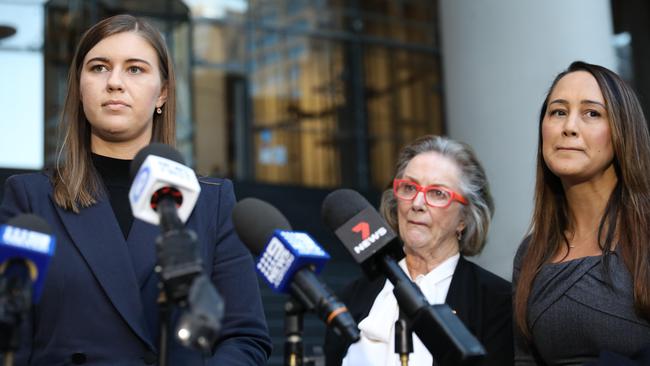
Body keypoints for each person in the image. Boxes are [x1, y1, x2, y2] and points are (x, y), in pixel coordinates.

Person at [0, 14, 271, 365]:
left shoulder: (211, 202)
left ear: (162, 92)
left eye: (135, 69)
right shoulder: (30, 198)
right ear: (79, 88)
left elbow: (244, 337)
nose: (114, 82)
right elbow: (9, 337)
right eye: (98, 68)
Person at [324, 135, 513, 366]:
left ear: (464, 218)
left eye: (437, 194)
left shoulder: (497, 301)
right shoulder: (353, 295)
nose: (417, 203)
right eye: (409, 187)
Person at [513, 61, 650, 365]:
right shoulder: (532, 252)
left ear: (622, 132)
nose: (569, 127)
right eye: (558, 112)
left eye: (592, 113)